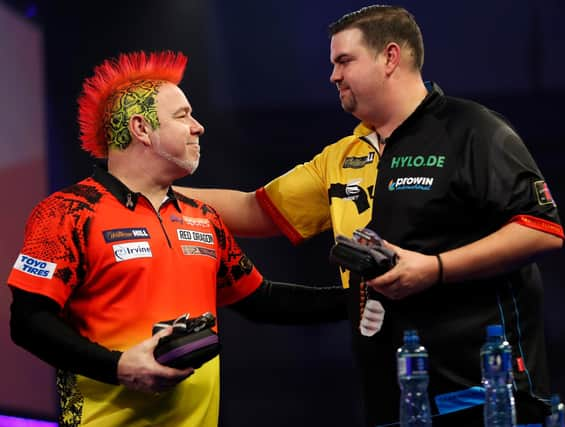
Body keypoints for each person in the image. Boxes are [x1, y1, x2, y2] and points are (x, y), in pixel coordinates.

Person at [177, 5, 565, 427]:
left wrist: (433, 269)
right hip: (395, 400)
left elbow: (541, 230)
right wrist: (154, 192)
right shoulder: (343, 155)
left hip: (486, 394)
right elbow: (256, 210)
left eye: (344, 61)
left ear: (390, 58)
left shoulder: (473, 129)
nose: (333, 76)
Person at [6, 50, 347, 427]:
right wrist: (117, 367)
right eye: (183, 116)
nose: (198, 127)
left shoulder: (202, 217)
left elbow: (262, 301)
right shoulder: (68, 212)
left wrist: (362, 297)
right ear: (141, 128)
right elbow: (28, 321)